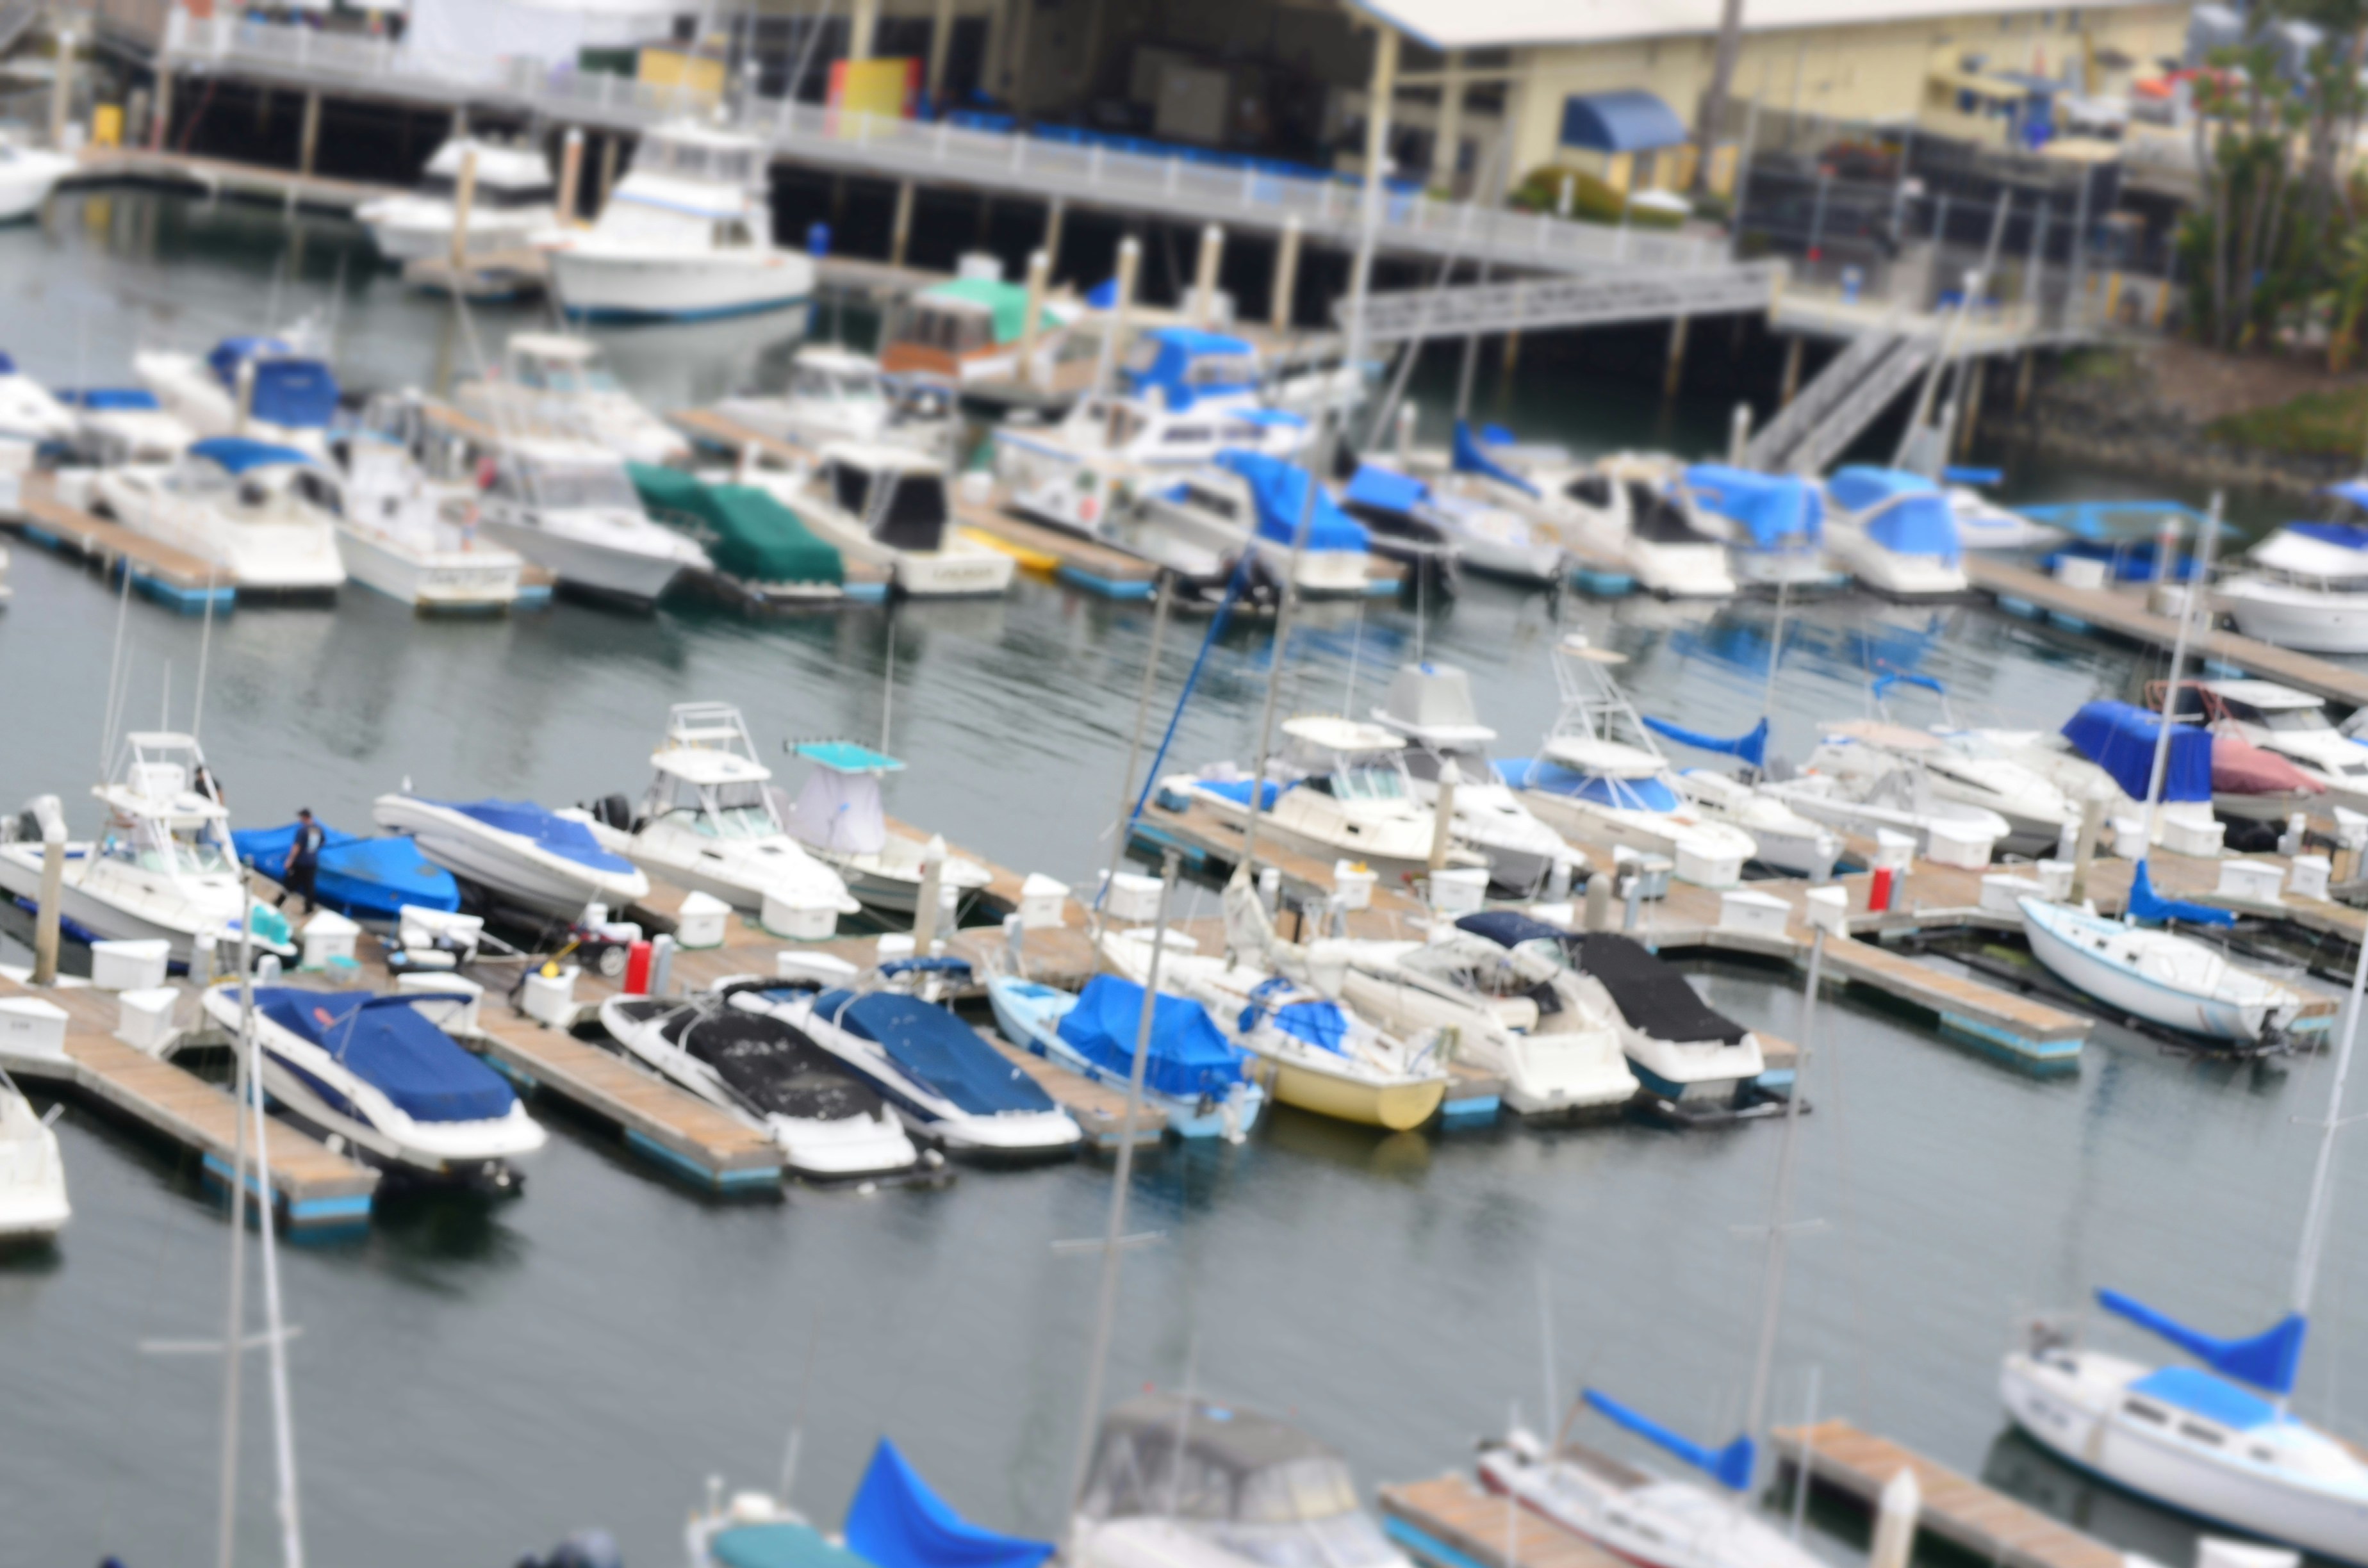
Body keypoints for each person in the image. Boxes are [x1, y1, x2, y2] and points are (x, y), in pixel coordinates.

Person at [280, 808, 324, 916]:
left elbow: (297, 846)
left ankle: (279, 902)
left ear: (305, 817)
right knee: (309, 887)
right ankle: (309, 909)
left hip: (300, 863)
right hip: (312, 863)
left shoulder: (303, 831)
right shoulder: (318, 829)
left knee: (290, 883)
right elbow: (322, 842)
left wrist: (290, 860)